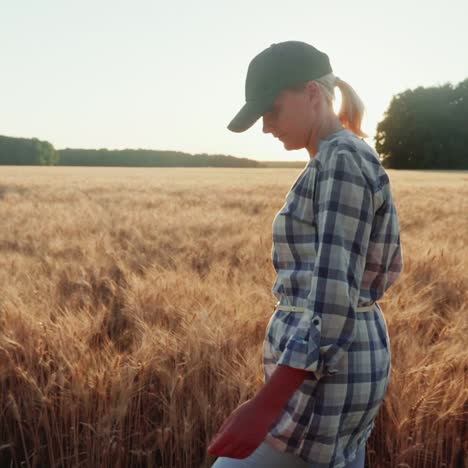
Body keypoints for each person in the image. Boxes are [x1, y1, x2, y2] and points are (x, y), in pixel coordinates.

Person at [207, 41, 404, 468]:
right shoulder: (336, 157)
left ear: (312, 93)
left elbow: (333, 296)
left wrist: (264, 406)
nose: (265, 127)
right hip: (334, 366)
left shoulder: (341, 161)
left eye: (272, 111)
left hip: (324, 375)